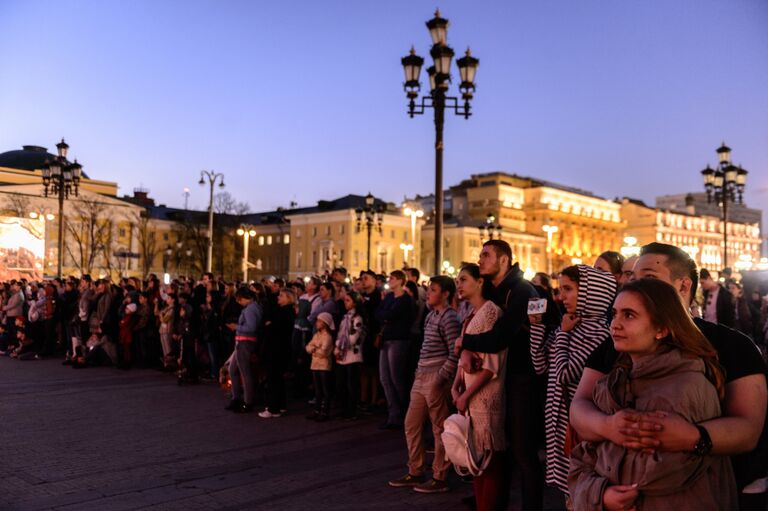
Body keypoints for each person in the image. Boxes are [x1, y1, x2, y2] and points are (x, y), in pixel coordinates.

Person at [570, 242, 767, 511]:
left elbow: (748, 430)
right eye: (632, 278)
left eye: (649, 278)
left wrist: (694, 437)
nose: (635, 286)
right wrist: (609, 426)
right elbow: (579, 406)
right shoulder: (615, 345)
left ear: (684, 286)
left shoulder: (733, 346)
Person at [456, 240, 543, 511]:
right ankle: (494, 499)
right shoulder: (496, 290)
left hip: (522, 378)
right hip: (502, 378)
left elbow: (500, 337)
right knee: (499, 444)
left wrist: (465, 343)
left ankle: (531, 506)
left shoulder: (522, 291)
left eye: (486, 255)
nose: (480, 260)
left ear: (504, 260)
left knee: (523, 450)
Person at [529, 265, 616, 503]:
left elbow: (563, 374)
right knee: (570, 491)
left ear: (590, 292)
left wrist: (564, 335)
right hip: (559, 423)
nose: (561, 296)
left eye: (568, 289)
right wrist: (537, 327)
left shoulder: (599, 333)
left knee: (580, 490)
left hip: (576, 425)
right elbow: (540, 365)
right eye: (560, 289)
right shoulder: (568, 326)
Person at [389, 275, 460, 494]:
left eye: (434, 290)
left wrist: (441, 377)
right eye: (429, 289)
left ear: (446, 294)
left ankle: (440, 475)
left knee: (439, 427)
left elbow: (455, 352)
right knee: (411, 423)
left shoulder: (449, 318)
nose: (428, 293)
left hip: (436, 377)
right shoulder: (431, 316)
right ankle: (416, 470)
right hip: (422, 375)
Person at [452, 263, 508, 511]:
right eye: (457, 280)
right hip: (468, 396)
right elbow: (463, 357)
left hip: (485, 397)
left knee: (489, 464)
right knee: (475, 462)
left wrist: (467, 395)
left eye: (463, 279)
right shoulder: (470, 315)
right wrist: (456, 387)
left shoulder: (491, 313)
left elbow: (492, 365)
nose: (459, 285)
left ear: (479, 282)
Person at [375, 270, 415, 429]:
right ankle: (393, 414)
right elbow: (378, 313)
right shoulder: (390, 297)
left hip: (399, 340)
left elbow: (391, 315)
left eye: (391, 278)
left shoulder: (406, 300)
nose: (389, 280)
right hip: (386, 339)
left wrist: (386, 315)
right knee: (384, 378)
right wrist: (386, 314)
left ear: (400, 281)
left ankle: (405, 413)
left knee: (396, 378)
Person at [260, 288, 296, 418]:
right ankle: (280, 406)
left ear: (288, 298)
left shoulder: (284, 313)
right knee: (278, 379)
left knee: (273, 378)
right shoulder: (286, 312)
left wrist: (269, 325)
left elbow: (273, 329)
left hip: (277, 350)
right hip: (281, 349)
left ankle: (272, 408)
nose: (278, 298)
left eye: (281, 296)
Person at [225, 287, 262, 414]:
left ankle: (247, 402)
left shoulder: (251, 309)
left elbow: (251, 327)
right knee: (233, 369)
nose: (239, 302)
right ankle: (236, 398)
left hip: (245, 341)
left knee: (244, 372)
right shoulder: (252, 308)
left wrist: (237, 327)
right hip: (242, 341)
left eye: (240, 299)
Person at [334, 291, 366, 420]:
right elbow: (341, 334)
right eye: (345, 300)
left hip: (353, 356)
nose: (345, 302)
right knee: (341, 384)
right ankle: (344, 408)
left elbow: (352, 339)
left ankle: (351, 411)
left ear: (355, 302)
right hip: (342, 356)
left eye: (348, 300)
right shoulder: (345, 317)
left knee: (351, 385)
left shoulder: (357, 319)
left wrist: (338, 344)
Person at [305, 312, 335, 422]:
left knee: (325, 390)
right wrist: (314, 349)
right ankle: (317, 410)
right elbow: (307, 347)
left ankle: (325, 411)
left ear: (325, 323)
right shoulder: (316, 335)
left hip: (324, 366)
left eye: (319, 321)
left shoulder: (328, 337)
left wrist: (314, 349)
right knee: (317, 390)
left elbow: (324, 352)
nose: (317, 323)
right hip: (315, 365)